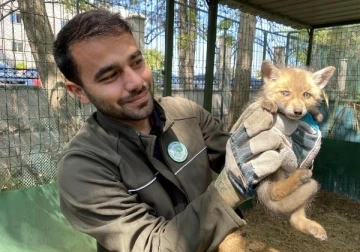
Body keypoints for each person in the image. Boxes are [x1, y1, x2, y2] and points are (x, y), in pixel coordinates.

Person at [53, 9, 322, 252]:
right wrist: (229, 190)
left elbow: (241, 158)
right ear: (79, 91)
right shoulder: (82, 168)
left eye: (136, 62)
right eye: (110, 75)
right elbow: (153, 246)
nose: (136, 82)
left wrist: (282, 147)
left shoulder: (185, 112)